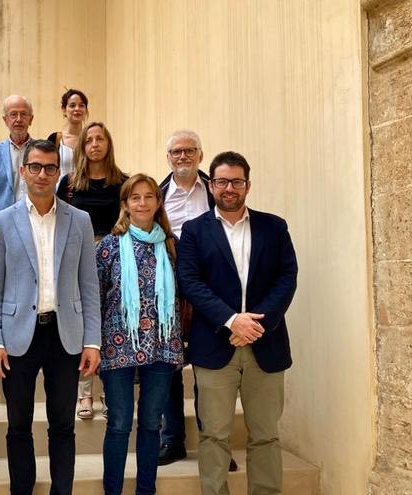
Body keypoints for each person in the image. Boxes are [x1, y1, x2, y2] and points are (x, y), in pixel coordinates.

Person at [0, 139, 101, 495]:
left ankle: (60, 491)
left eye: (51, 168)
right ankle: (23, 489)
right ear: (23, 171)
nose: (43, 174)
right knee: (18, 424)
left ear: (58, 172)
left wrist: (91, 341)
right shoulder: (1, 222)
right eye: (35, 166)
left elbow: (89, 285)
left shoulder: (79, 220)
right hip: (18, 335)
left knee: (62, 425)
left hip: (65, 335)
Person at [177, 151, 298, 495]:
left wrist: (257, 324)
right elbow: (190, 281)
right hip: (215, 346)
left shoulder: (274, 227)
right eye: (222, 181)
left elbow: (287, 277)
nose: (229, 188)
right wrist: (231, 321)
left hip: (266, 344)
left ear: (248, 185)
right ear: (211, 184)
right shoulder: (194, 231)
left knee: (265, 435)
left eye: (236, 181)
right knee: (214, 435)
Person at [96, 174, 185, 495]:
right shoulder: (108, 247)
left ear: (158, 203)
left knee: (151, 423)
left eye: (149, 197)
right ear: (125, 205)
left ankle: (145, 490)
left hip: (162, 347)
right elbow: (97, 297)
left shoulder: (172, 247)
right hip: (117, 348)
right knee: (119, 424)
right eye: (135, 197)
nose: (143, 203)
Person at [56, 121, 127, 419]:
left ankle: (111, 396)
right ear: (82, 146)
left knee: (111, 325)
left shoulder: (123, 181)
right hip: (78, 256)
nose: (95, 144)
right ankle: (84, 395)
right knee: (83, 323)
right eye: (90, 140)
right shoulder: (69, 183)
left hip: (116, 256)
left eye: (101, 139)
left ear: (109, 145)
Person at [157, 129, 213, 464]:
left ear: (200, 155)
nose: (183, 156)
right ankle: (172, 440)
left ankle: (213, 444)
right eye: (176, 151)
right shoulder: (158, 193)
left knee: (208, 365)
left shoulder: (215, 188)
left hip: (210, 287)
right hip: (170, 288)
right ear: (168, 158)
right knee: (170, 363)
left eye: (189, 150)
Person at [0, 95, 35, 212]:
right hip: (3, 220)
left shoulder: (41, 151)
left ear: (31, 119)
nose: (19, 119)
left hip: (35, 217)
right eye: (13, 114)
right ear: (5, 120)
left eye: (23, 114)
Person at [46, 88, 88, 179]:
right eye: (72, 105)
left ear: (86, 110)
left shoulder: (91, 140)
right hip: (59, 192)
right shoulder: (55, 139)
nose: (77, 109)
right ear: (64, 109)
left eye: (81, 105)